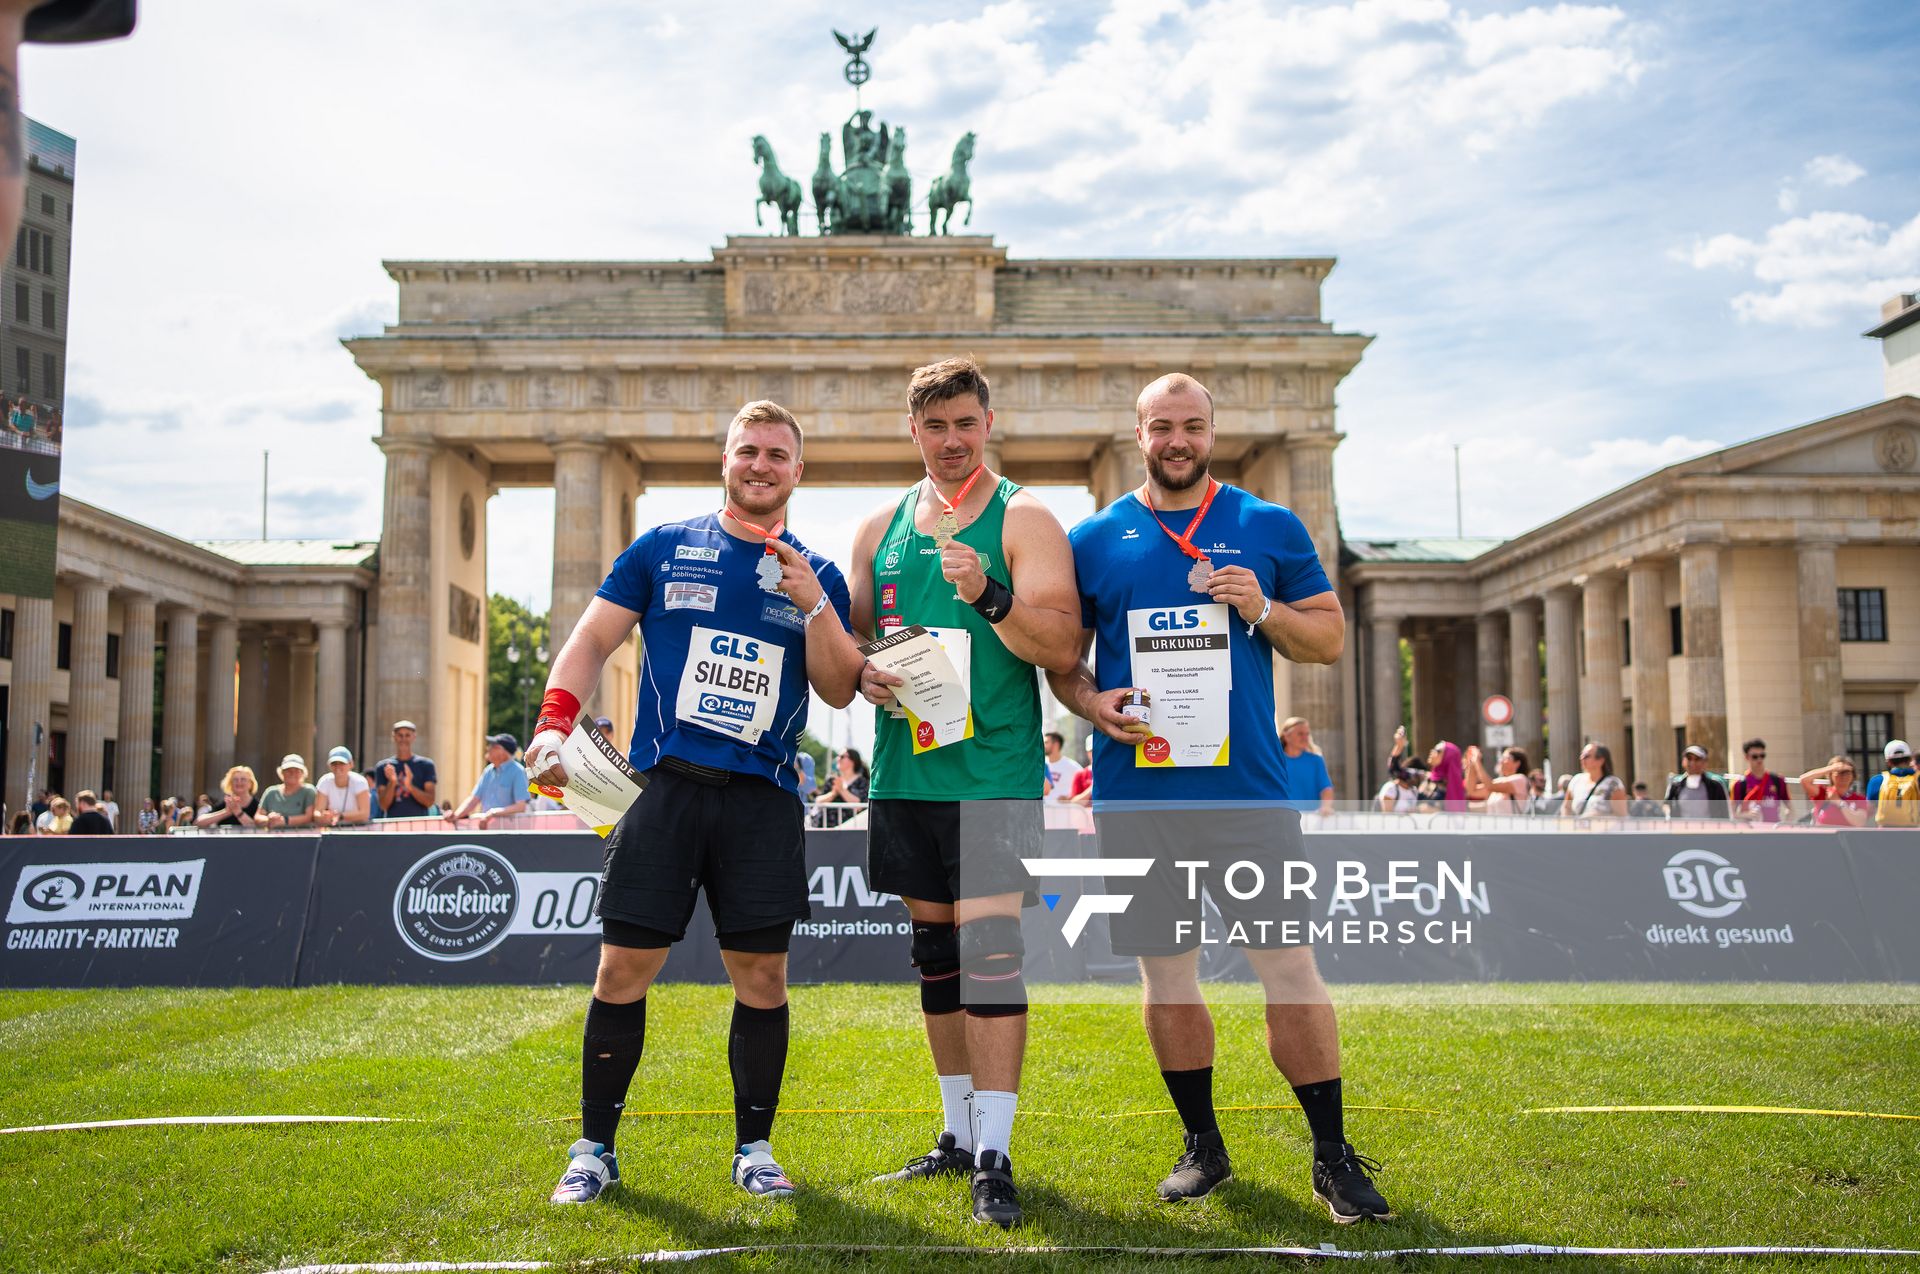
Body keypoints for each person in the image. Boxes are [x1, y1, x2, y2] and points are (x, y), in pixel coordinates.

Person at [1050, 372, 1391, 1222]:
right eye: (1161, 424)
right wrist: (1093, 704)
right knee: (1166, 975)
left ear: (1213, 432)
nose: (1177, 439)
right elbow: (1061, 660)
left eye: (1192, 425)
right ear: (1139, 432)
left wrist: (1264, 604)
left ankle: (1331, 1154)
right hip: (1137, 797)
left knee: (1289, 968)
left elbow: (1329, 638)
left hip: (1248, 794)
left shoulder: (1266, 525)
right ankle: (1203, 1146)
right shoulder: (1093, 539)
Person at [525, 400, 864, 1207]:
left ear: (797, 472)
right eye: (748, 451)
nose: (761, 465)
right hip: (664, 791)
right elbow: (591, 640)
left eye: (777, 455)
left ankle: (755, 1149)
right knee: (621, 969)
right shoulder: (664, 549)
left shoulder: (820, 574)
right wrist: (551, 725)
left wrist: (814, 601)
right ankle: (594, 1150)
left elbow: (838, 684)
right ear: (725, 461)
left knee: (762, 976)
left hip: (763, 798)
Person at [849, 357, 1082, 1229]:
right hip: (908, 770)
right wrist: (861, 671)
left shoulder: (1025, 516)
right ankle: (954, 1135)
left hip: (994, 776)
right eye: (934, 426)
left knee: (989, 957)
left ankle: (996, 1153)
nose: (951, 441)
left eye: (965, 424)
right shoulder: (881, 525)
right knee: (936, 960)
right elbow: (853, 650)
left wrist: (987, 592)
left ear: (989, 424)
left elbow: (1059, 647)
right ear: (913, 431)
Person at [452, 733, 530, 829]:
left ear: (502, 751)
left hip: (508, 834)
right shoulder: (488, 770)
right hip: (488, 831)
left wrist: (492, 813)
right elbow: (473, 800)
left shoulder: (518, 771)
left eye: (493, 746)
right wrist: (455, 816)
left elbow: (521, 807)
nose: (488, 748)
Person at [368, 720, 438, 819]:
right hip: (393, 826)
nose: (403, 739)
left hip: (419, 827)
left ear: (414, 737)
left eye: (407, 735)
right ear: (394, 737)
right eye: (400, 735)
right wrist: (392, 782)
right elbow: (383, 805)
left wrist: (410, 786)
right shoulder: (383, 767)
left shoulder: (426, 765)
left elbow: (429, 802)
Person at [1277, 717, 1335, 815]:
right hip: (1284, 818)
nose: (1305, 737)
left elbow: (1326, 788)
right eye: (1300, 734)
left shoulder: (1316, 760)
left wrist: (1326, 807)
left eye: (1307, 734)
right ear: (1287, 737)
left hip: (1311, 819)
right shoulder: (1277, 761)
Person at [1730, 737, 1789, 824]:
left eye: (1762, 756)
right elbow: (1732, 814)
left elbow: (1790, 808)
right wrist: (1746, 815)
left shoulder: (1778, 780)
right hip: (1750, 832)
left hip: (1774, 831)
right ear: (1746, 757)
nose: (1759, 759)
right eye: (1755, 756)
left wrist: (1786, 825)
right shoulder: (1739, 784)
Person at [1797, 757, 1868, 827]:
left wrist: (1839, 802)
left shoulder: (1859, 799)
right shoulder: (1823, 793)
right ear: (1831, 775)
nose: (1843, 776)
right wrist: (1831, 768)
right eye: (1839, 772)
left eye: (1847, 772)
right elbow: (1804, 780)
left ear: (1853, 776)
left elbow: (1859, 823)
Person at [1562, 743, 1628, 818]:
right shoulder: (1576, 780)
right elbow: (1566, 807)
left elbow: (1621, 816)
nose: (1582, 758)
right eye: (1582, 755)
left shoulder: (1613, 784)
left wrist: (1598, 818)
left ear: (1600, 760)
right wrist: (1566, 823)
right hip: (1578, 829)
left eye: (1586, 756)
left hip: (1605, 829)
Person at [1663, 745, 1729, 819]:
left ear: (1704, 763)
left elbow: (1725, 812)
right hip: (1682, 829)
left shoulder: (1715, 786)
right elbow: (1667, 804)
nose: (1692, 763)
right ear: (1683, 761)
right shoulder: (1675, 785)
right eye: (1689, 759)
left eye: (1697, 759)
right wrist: (1668, 815)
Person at [1461, 745, 1529, 815]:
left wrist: (1477, 761)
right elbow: (1471, 791)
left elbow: (1490, 786)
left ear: (1517, 763)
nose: (1501, 760)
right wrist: (1472, 763)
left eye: (1505, 758)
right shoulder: (1500, 781)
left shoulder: (1521, 779)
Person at [314, 746, 372, 827]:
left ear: (351, 764)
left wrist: (341, 816)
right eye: (334, 764)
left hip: (358, 830)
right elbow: (317, 812)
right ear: (329, 765)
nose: (338, 767)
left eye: (342, 763)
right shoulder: (324, 781)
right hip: (332, 831)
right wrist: (323, 816)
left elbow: (364, 813)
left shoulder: (360, 781)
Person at [1867, 740, 1919, 827]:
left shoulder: (1876, 780)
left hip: (1886, 832)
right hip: (1914, 832)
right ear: (1910, 759)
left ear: (1888, 762)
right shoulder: (1918, 779)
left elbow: (1869, 809)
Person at [259, 755, 319, 830]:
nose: (292, 773)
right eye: (288, 770)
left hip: (302, 838)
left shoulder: (309, 791)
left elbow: (309, 817)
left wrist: (285, 821)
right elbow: (258, 817)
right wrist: (269, 819)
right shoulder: (270, 792)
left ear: (302, 773)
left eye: (296, 770)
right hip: (273, 838)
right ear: (282, 772)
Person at [1041, 731, 1083, 806]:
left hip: (1064, 812)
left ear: (1056, 745)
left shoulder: (1072, 766)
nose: (1043, 745)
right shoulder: (1041, 765)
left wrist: (1070, 798)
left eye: (1046, 742)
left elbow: (1086, 784)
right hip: (1045, 810)